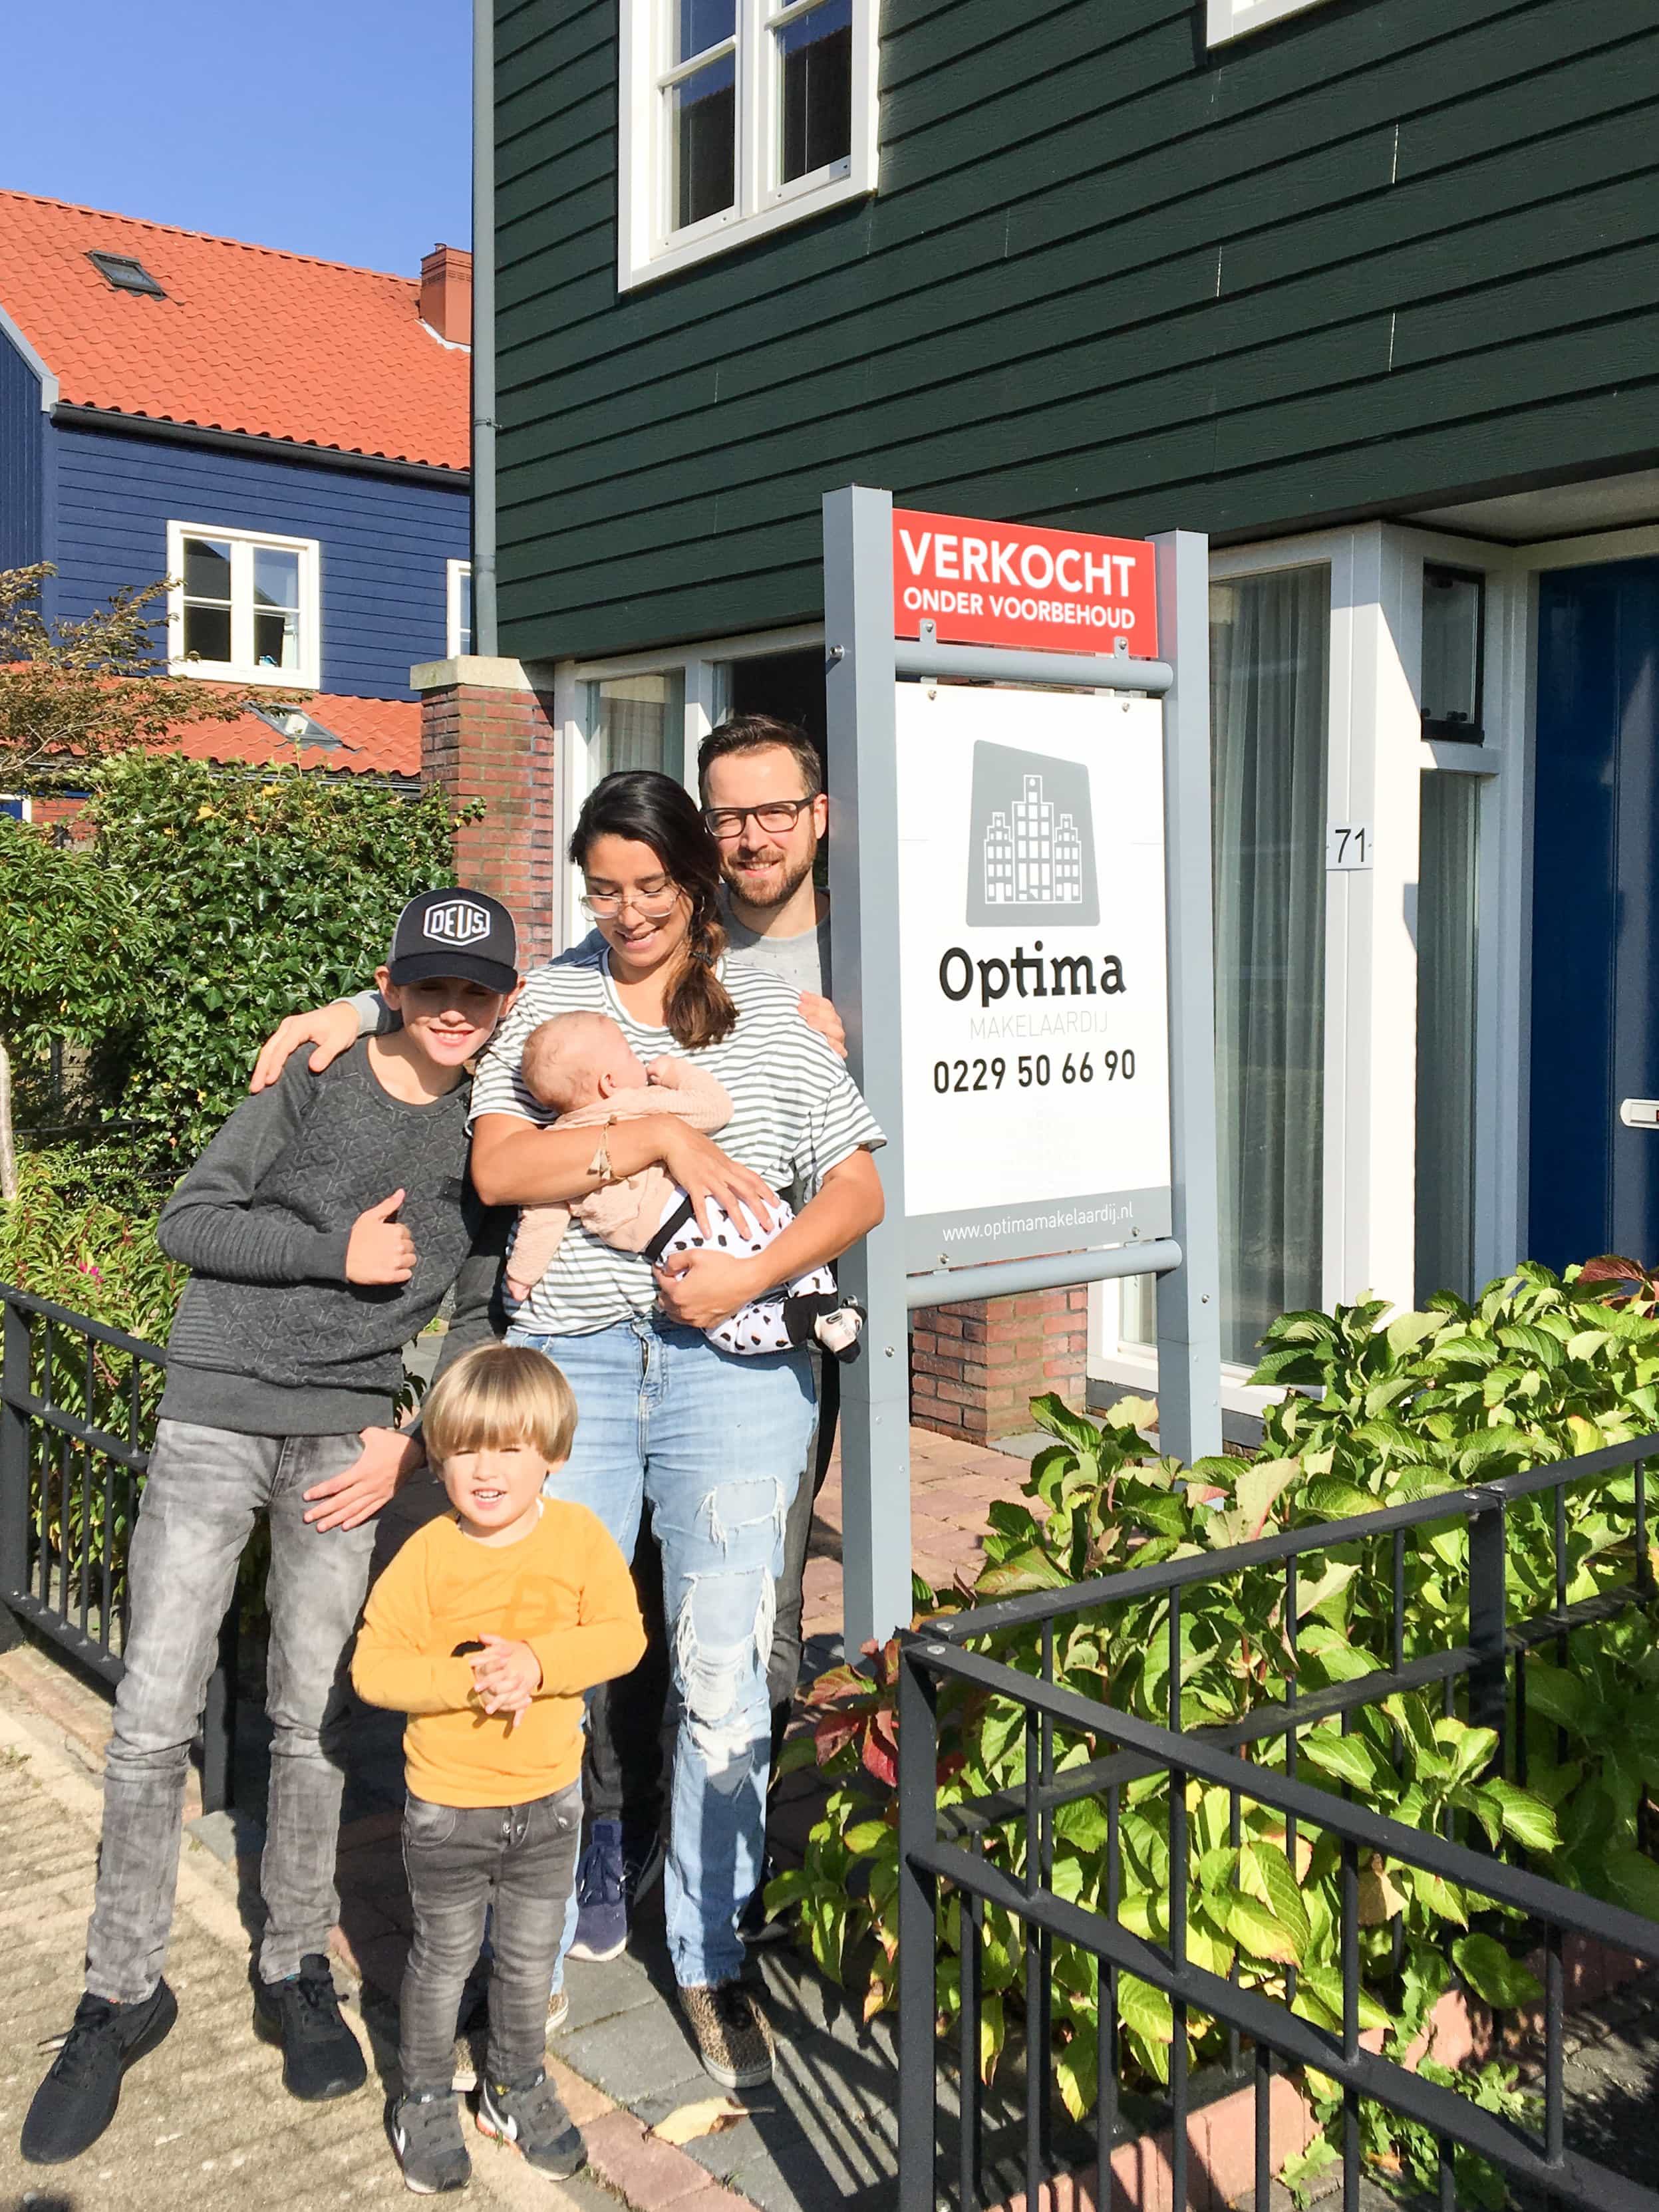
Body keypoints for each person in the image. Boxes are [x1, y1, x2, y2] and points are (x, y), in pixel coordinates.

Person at [247, 769, 884, 2088]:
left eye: (650, 887)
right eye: (603, 890)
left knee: (722, 1674)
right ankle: (520, 1962)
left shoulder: (772, 1010)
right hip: (576, 1362)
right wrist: (654, 1137)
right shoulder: (549, 999)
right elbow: (500, 1167)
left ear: (694, 882)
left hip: (734, 1370)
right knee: (530, 1650)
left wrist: (751, 1276)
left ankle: (710, 1955)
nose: (628, 912)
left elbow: (857, 1186)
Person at [20, 890, 521, 2170]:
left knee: (312, 1720)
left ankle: (293, 1964)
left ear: (502, 1001)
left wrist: (410, 1438)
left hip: (347, 1442)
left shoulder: (490, 1138)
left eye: (474, 991)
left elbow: (478, 1318)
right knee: (153, 1717)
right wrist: (329, 1255)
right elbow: (187, 1221)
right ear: (390, 987)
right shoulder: (313, 1076)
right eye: (429, 986)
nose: (451, 1009)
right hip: (215, 1414)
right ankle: (118, 1993)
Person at [353, 1342, 645, 2195]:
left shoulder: (580, 1537)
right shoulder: (426, 1554)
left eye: (510, 1448)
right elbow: (373, 1667)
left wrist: (541, 1664)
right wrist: (468, 1680)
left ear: (551, 1453)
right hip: (448, 1806)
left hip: (550, 1802)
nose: (487, 1470)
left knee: (525, 1960)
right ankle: (421, 2096)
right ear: (439, 1455)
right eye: (466, 1449)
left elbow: (623, 1636)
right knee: (443, 1958)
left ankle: (514, 2083)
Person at [503, 1010, 863, 1360]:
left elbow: (541, 1218)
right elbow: (714, 1108)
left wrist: (522, 1276)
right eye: (630, 1053)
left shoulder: (559, 1149)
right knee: (786, 1237)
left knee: (726, 1326)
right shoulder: (638, 1103)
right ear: (609, 1083)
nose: (639, 1058)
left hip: (681, 1245)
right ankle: (824, 1306)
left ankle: (804, 1324)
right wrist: (678, 1073)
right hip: (736, 1207)